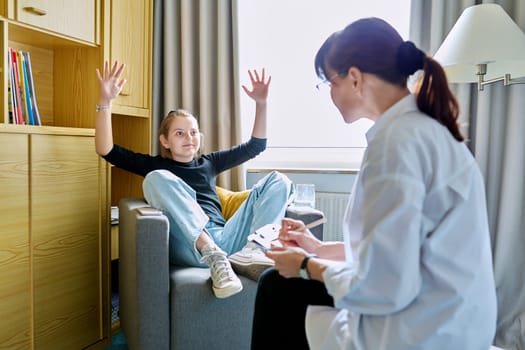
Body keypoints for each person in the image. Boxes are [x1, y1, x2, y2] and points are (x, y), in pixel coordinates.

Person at [251, 17, 497, 350]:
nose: (330, 95)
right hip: (459, 320)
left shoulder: (396, 144)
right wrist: (318, 248)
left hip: (426, 329)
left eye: (329, 83)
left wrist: (306, 265)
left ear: (354, 78)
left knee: (278, 289)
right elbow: (398, 249)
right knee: (284, 286)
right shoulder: (423, 131)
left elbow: (385, 285)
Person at [95, 60, 293, 299]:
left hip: (226, 239)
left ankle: (255, 251)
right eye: (179, 133)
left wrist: (261, 104)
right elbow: (106, 150)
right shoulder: (157, 165)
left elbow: (256, 146)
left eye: (193, 132)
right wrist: (105, 103)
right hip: (188, 245)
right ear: (165, 141)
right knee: (155, 178)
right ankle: (211, 253)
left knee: (278, 180)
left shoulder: (209, 162)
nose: (189, 138)